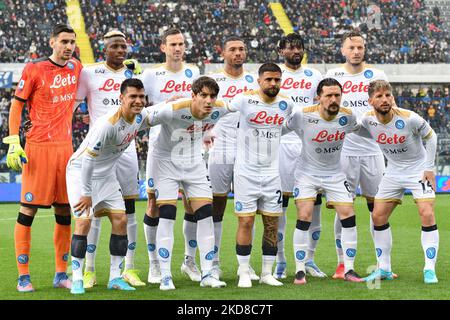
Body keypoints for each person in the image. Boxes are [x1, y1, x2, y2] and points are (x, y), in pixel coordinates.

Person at [3, 24, 82, 292]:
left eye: (72, 42)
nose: (68, 46)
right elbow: (17, 104)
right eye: (63, 41)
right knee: (28, 211)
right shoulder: (34, 69)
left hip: (66, 150)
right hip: (38, 148)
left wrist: (126, 73)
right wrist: (14, 140)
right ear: (52, 42)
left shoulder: (77, 68)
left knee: (64, 211)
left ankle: (61, 274)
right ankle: (23, 275)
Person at [75, 30, 145, 289]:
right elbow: (73, 104)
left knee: (128, 209)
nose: (120, 50)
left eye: (123, 46)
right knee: (92, 211)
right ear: (104, 48)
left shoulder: (133, 74)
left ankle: (129, 267)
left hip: (126, 149)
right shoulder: (89, 73)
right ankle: (89, 271)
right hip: (99, 151)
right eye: (114, 46)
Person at [67, 78, 150, 294]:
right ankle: (77, 278)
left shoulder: (138, 118)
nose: (138, 101)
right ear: (121, 98)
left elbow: (158, 113)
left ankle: (115, 277)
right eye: (133, 96)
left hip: (106, 175)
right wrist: (86, 194)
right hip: (81, 172)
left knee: (120, 220)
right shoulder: (108, 124)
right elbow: (87, 160)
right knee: (83, 223)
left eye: (141, 96)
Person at [148, 76, 228, 290]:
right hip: (165, 162)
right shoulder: (172, 109)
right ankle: (165, 275)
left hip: (194, 163)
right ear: (193, 96)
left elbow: (245, 103)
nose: (208, 100)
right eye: (203, 95)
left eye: (212, 96)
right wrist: (163, 103)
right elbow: (140, 117)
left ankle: (208, 274)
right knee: (167, 215)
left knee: (205, 215)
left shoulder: (220, 109)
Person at [283, 78, 364, 285]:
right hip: (307, 173)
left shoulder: (348, 116)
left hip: (335, 174)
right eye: (328, 95)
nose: (333, 99)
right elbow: (281, 130)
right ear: (319, 97)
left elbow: (361, 130)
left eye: (337, 95)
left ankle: (349, 268)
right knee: (304, 215)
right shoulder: (303, 115)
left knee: (349, 215)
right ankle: (300, 271)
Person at [360, 80, 439, 284]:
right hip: (393, 172)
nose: (385, 99)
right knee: (378, 216)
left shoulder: (410, 118)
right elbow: (354, 130)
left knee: (426, 213)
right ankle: (384, 269)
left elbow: (431, 137)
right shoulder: (367, 120)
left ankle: (429, 269)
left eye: (388, 95)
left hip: (418, 171)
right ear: (370, 101)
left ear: (393, 98)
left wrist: (429, 167)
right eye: (379, 96)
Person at [325, 31, 389, 279]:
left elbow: (387, 108)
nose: (356, 51)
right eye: (351, 47)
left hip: (373, 151)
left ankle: (383, 263)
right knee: (344, 208)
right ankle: (342, 263)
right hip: (343, 152)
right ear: (343, 50)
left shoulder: (377, 75)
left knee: (378, 209)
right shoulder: (334, 75)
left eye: (360, 47)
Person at [140, 28, 201, 284]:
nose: (178, 48)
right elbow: (140, 109)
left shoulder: (194, 72)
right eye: (173, 44)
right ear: (163, 47)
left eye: (181, 44)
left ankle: (189, 260)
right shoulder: (151, 75)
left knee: (192, 206)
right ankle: (155, 263)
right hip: (160, 149)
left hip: (189, 147)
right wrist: (169, 104)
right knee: (154, 206)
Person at [230, 63, 292, 288]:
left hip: (272, 174)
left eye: (277, 79)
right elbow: (219, 108)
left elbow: (296, 123)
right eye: (269, 79)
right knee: (246, 221)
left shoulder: (287, 104)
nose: (273, 83)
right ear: (259, 81)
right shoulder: (244, 100)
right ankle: (244, 271)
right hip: (245, 173)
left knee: (272, 224)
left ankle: (267, 273)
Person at [207, 36, 259, 281]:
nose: (238, 53)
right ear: (223, 53)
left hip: (249, 151)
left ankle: (245, 265)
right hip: (220, 148)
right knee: (216, 206)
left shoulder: (254, 81)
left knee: (249, 208)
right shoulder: (214, 80)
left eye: (241, 49)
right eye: (233, 50)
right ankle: (214, 262)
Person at [275, 33, 325, 279]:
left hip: (309, 143)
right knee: (281, 205)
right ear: (281, 50)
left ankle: (310, 259)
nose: (296, 51)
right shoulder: (275, 74)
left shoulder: (314, 76)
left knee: (314, 203)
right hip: (282, 144)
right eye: (291, 47)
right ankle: (281, 260)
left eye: (299, 47)